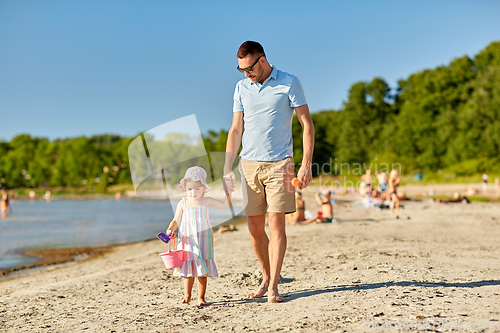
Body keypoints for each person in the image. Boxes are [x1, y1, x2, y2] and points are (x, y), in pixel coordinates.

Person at [223, 41, 314, 303]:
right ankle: (266, 276)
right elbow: (235, 130)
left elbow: (306, 124)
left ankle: (273, 286)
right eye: (241, 70)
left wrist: (306, 164)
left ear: (262, 61)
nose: (246, 74)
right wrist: (228, 168)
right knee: (254, 228)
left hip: (280, 165)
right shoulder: (241, 87)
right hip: (248, 165)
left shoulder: (289, 82)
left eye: (249, 69)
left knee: (276, 224)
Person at [166, 166, 231, 306]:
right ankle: (187, 296)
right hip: (187, 240)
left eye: (197, 189)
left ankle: (201, 297)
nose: (193, 192)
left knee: (202, 269)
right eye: (190, 189)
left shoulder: (206, 201)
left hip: (203, 239)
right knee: (188, 269)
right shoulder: (183, 203)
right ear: (185, 188)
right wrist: (170, 230)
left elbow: (225, 205)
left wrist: (228, 192)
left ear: (204, 188)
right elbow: (176, 220)